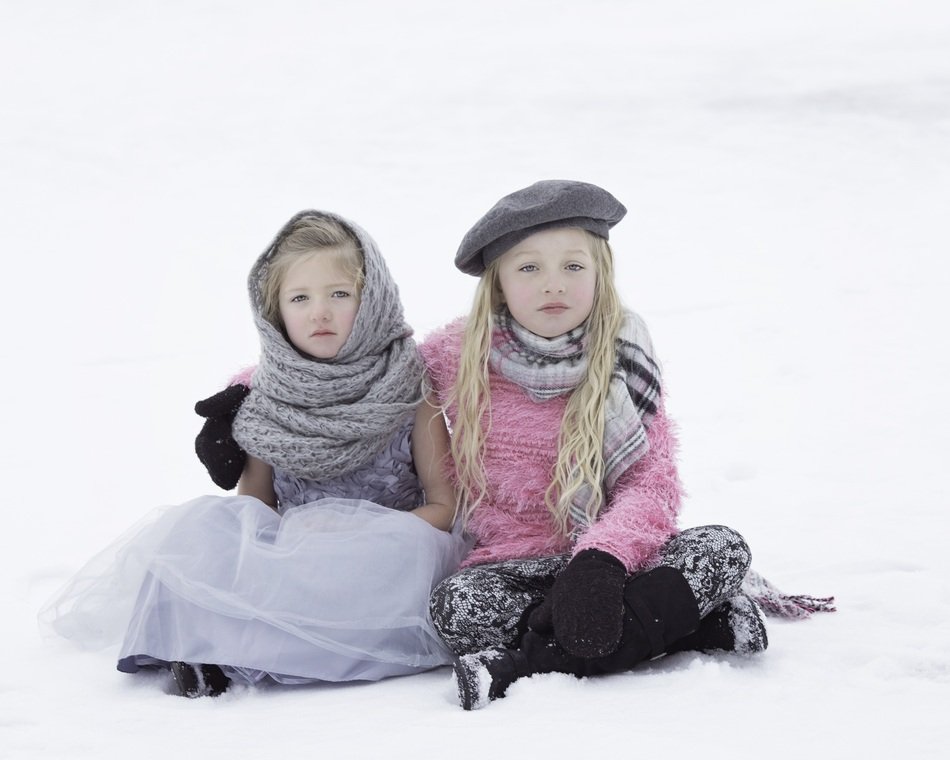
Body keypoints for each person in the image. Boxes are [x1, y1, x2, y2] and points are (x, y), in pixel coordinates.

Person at [419, 180, 834, 710]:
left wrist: (602, 561)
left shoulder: (623, 352)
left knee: (722, 548)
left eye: (573, 266)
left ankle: (522, 663)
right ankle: (693, 630)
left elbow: (651, 483)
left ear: (600, 273)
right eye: (529, 268)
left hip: (616, 558)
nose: (554, 285)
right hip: (515, 567)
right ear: (497, 282)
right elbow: (374, 377)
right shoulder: (455, 356)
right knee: (457, 608)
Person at [40, 210, 469, 697]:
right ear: (275, 311)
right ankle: (202, 649)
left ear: (372, 302)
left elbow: (444, 504)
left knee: (403, 553)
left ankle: (260, 651)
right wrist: (284, 541)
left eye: (340, 295)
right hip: (301, 554)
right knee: (205, 527)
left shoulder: (410, 389)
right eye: (300, 298)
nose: (319, 312)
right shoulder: (264, 398)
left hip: (383, 561)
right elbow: (256, 504)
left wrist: (370, 533)